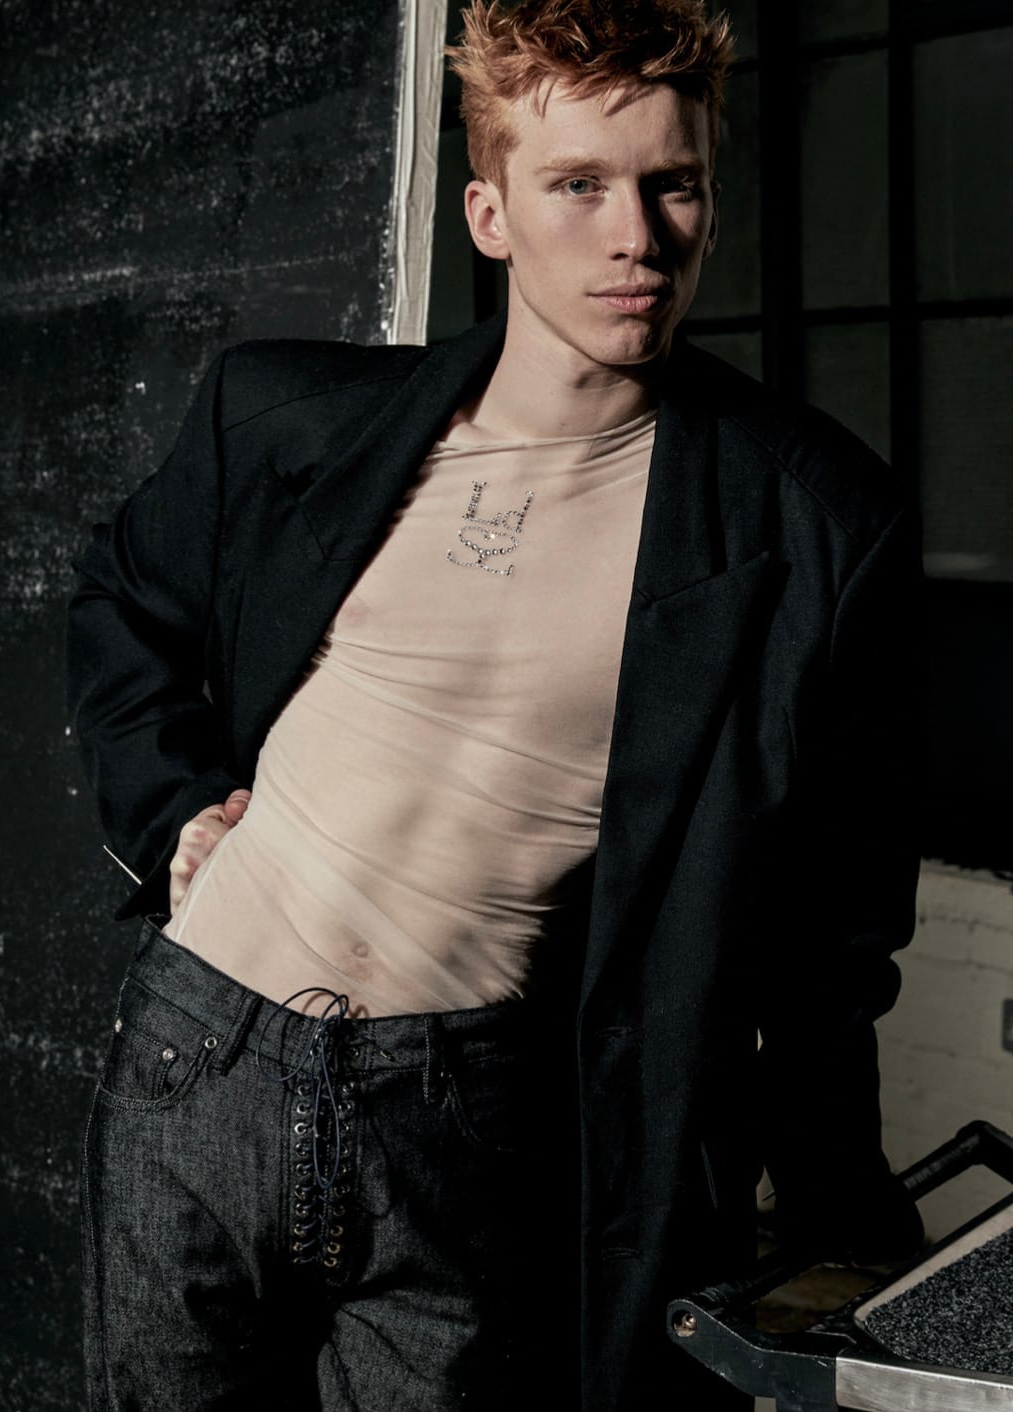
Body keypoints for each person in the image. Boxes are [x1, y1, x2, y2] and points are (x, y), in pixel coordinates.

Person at [67, 2, 925, 1408]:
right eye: (577, 184)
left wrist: (846, 1237)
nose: (635, 236)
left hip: (466, 1108)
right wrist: (172, 817)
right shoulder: (285, 418)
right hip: (198, 1056)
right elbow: (121, 600)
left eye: (673, 184)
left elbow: (837, 933)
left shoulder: (816, 522)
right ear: (490, 214)